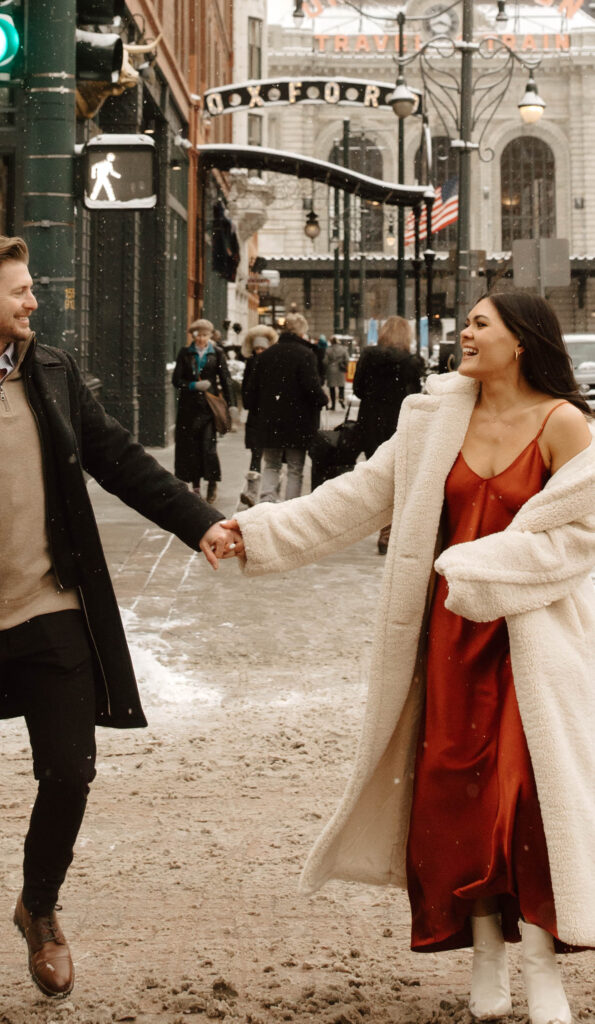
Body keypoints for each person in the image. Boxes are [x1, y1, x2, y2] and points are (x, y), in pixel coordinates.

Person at [221, 291, 595, 1024]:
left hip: (533, 644)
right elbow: (356, 499)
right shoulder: (431, 419)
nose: (464, 332)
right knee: (457, 798)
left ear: (520, 341)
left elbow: (580, 537)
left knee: (523, 801)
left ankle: (543, 964)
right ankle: (486, 945)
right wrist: (254, 533)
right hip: (448, 642)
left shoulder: (563, 426)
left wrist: (483, 565)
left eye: (480, 323)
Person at [0, 237, 237, 1024]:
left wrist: (201, 524)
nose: (32, 303)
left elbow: (121, 461)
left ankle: (39, 905)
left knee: (69, 770)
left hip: (51, 609)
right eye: (18, 292)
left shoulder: (50, 373)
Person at [351, 316, 425, 553]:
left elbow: (358, 390)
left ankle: (381, 523)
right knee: (397, 477)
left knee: (377, 475)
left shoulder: (368, 356)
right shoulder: (412, 362)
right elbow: (414, 395)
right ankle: (388, 531)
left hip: (371, 421)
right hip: (399, 423)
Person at [244, 312, 328, 503]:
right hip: (298, 423)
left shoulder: (266, 356)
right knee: (295, 467)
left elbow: (251, 392)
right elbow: (311, 388)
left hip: (270, 421)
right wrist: (323, 400)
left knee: (271, 465)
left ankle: (266, 504)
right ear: (302, 331)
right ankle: (289, 509)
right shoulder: (305, 355)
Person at [172, 318, 235, 504]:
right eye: (198, 335)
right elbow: (177, 380)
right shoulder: (185, 353)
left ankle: (213, 483)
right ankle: (196, 486)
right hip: (188, 410)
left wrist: (231, 404)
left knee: (208, 447)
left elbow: (226, 379)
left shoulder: (216, 353)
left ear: (210, 336)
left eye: (205, 335)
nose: (201, 339)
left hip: (209, 409)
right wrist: (193, 385)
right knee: (191, 448)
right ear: (193, 336)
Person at [239, 324, 278, 507]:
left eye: (263, 348)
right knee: (260, 455)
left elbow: (247, 394)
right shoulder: (268, 364)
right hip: (261, 416)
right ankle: (255, 492)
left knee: (269, 456)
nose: (260, 352)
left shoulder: (254, 365)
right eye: (257, 349)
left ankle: (260, 492)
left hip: (263, 416)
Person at [326, 335, 350, 409]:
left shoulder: (328, 349)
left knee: (332, 388)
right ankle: (341, 398)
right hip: (340, 369)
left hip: (331, 370)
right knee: (341, 386)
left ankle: (333, 405)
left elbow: (325, 361)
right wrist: (343, 363)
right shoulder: (343, 349)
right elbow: (347, 359)